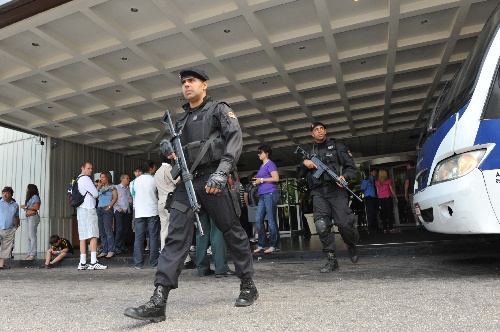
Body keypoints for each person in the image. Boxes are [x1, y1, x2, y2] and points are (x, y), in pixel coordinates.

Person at [124, 67, 257, 323]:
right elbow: (179, 153)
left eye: (192, 81)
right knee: (175, 238)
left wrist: (223, 172)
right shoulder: (181, 121)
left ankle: (248, 284)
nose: (187, 85)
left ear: (204, 85)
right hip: (188, 183)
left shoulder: (219, 109)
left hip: (214, 180)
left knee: (232, 232)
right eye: (183, 82)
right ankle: (158, 301)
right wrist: (169, 149)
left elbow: (234, 139)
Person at [296, 122, 359, 273]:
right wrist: (305, 164)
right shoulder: (309, 152)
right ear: (312, 134)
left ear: (325, 131)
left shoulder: (337, 147)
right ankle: (331, 259)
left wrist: (345, 177)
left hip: (336, 190)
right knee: (321, 225)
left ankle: (351, 244)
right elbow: (298, 174)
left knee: (343, 224)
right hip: (318, 192)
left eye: (321, 129)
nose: (319, 131)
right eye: (316, 130)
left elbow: (352, 169)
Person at [76, 162, 107, 270]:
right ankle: (93, 261)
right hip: (89, 209)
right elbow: (95, 194)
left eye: (91, 168)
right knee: (93, 234)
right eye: (88, 168)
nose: (90, 170)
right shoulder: (86, 179)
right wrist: (96, 188)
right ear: (82, 168)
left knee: (83, 236)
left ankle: (82, 262)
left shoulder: (78, 179)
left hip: (80, 209)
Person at [252, 145, 280, 254]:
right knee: (258, 219)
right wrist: (257, 182)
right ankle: (262, 245)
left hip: (270, 193)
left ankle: (274, 245)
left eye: (260, 152)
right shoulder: (262, 166)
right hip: (263, 194)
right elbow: (262, 179)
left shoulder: (270, 164)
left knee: (271, 220)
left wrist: (262, 180)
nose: (258, 154)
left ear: (266, 153)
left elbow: (276, 178)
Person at [133, 160, 160, 269]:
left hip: (139, 212)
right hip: (152, 211)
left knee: (138, 238)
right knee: (153, 237)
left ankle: (138, 263)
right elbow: (158, 193)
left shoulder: (135, 181)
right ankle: (153, 262)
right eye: (155, 167)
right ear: (151, 168)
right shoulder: (154, 179)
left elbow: (133, 194)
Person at [196, 213, 235, 278]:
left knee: (202, 232)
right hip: (215, 204)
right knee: (218, 231)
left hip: (199, 204)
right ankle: (221, 267)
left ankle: (202, 268)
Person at [154, 157, 178, 250]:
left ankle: (164, 251)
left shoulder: (157, 172)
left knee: (164, 229)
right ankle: (182, 256)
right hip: (170, 201)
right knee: (176, 227)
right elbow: (177, 181)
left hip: (161, 202)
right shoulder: (169, 169)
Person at [96, 171, 117, 259]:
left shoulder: (112, 187)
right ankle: (104, 250)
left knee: (108, 230)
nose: (101, 179)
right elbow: (95, 195)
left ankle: (111, 250)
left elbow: (115, 198)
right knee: (102, 231)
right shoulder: (100, 187)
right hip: (99, 208)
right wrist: (98, 187)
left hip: (107, 209)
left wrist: (109, 207)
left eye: (103, 177)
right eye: (101, 177)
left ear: (107, 178)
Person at [0, 187, 20, 269]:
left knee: (6, 247)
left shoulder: (15, 205)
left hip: (9, 229)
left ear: (11, 195)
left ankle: (1, 264)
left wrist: (16, 226)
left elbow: (16, 216)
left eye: (7, 193)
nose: (5, 194)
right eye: (3, 192)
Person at [20, 184, 41, 260]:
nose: (26, 190)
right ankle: (29, 252)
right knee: (29, 236)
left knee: (32, 236)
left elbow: (36, 207)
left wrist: (26, 207)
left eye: (27, 188)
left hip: (33, 217)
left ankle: (33, 253)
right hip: (29, 217)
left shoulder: (35, 196)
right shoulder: (30, 198)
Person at [114, 174, 132, 254]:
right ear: (122, 179)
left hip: (127, 211)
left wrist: (131, 201)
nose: (129, 179)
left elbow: (130, 198)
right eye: (127, 178)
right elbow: (113, 199)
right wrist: (118, 208)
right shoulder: (116, 188)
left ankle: (122, 246)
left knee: (126, 230)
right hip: (119, 211)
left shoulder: (129, 188)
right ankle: (117, 246)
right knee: (119, 229)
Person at [375, 169, 398, 233]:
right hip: (387, 198)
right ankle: (391, 228)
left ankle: (384, 228)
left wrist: (378, 199)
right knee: (389, 213)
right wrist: (395, 197)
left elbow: (377, 192)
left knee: (383, 214)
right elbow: (391, 190)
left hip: (381, 199)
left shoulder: (377, 182)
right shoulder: (388, 181)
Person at [361, 168, 379, 234]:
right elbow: (362, 189)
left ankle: (375, 226)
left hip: (375, 198)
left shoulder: (376, 180)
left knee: (375, 212)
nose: (375, 173)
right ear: (370, 172)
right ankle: (371, 227)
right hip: (369, 198)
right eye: (374, 171)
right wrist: (366, 194)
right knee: (370, 213)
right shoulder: (366, 180)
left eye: (376, 171)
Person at [404, 160, 420, 227]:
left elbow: (407, 183)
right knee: (421, 206)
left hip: (412, 192)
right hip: (420, 191)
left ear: (409, 165)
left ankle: (417, 223)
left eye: (406, 165)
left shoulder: (408, 172)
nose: (406, 167)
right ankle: (424, 221)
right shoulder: (418, 170)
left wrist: (405, 193)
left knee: (414, 208)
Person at [244, 172, 259, 243]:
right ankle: (255, 236)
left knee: (263, 221)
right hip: (252, 205)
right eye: (254, 177)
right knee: (254, 222)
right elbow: (245, 196)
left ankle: (261, 235)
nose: (256, 178)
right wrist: (247, 206)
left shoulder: (261, 184)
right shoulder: (248, 186)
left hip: (261, 205)